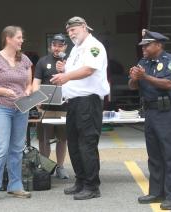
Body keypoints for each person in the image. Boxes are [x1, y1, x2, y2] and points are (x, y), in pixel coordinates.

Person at [51, 16, 110, 200]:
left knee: (87, 144)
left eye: (74, 30)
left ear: (84, 27)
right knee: (75, 144)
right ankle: (81, 181)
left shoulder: (94, 46)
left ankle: (92, 186)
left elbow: (88, 70)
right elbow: (75, 70)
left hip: (88, 101)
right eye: (69, 31)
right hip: (74, 102)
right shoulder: (76, 49)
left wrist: (66, 77)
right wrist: (64, 69)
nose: (71, 34)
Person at [128, 29, 171, 210]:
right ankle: (156, 192)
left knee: (170, 156)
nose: (143, 48)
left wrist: (144, 76)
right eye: (142, 45)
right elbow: (132, 86)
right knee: (154, 156)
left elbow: (168, 84)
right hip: (150, 113)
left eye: (147, 45)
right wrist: (134, 78)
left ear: (158, 45)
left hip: (167, 113)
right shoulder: (143, 62)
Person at [0, 26, 33, 203]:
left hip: (21, 108)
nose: (22, 40)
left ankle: (15, 185)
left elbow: (29, 84)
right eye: (19, 37)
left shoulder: (25, 59)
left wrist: (28, 91)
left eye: (22, 37)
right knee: (1, 149)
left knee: (17, 149)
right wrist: (5, 92)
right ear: (8, 39)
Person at [32, 34, 69, 179]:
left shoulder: (70, 61)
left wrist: (66, 70)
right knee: (44, 139)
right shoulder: (43, 61)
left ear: (65, 46)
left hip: (64, 108)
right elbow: (36, 82)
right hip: (45, 108)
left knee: (62, 138)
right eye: (54, 45)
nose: (57, 48)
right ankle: (45, 167)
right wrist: (36, 101)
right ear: (50, 46)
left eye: (60, 45)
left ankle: (60, 166)